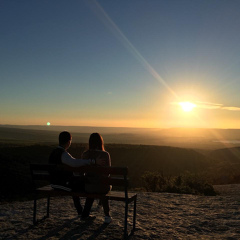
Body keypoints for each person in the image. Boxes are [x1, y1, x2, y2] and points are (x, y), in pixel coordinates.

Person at [48, 131, 104, 216]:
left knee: (76, 183)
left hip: (54, 183)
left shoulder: (54, 152)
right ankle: (84, 213)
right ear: (68, 141)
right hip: (62, 184)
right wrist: (93, 161)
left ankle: (80, 212)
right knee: (90, 187)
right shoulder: (63, 154)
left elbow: (72, 162)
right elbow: (74, 163)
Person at [80, 133, 112, 224]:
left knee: (93, 186)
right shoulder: (105, 154)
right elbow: (108, 172)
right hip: (102, 188)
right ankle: (107, 215)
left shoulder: (85, 154)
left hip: (88, 187)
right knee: (105, 187)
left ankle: (85, 214)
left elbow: (81, 172)